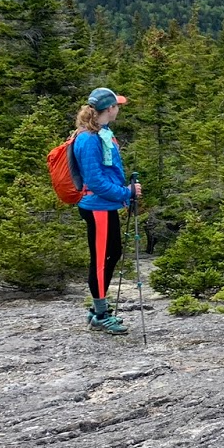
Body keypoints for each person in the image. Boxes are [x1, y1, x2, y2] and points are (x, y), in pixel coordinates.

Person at [72, 87, 142, 334]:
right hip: (97, 207)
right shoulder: (89, 139)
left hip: (104, 206)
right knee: (102, 260)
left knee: (111, 253)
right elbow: (97, 181)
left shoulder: (101, 133)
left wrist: (125, 191)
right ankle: (100, 314)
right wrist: (127, 193)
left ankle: (98, 309)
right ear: (109, 109)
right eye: (117, 105)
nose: (119, 109)